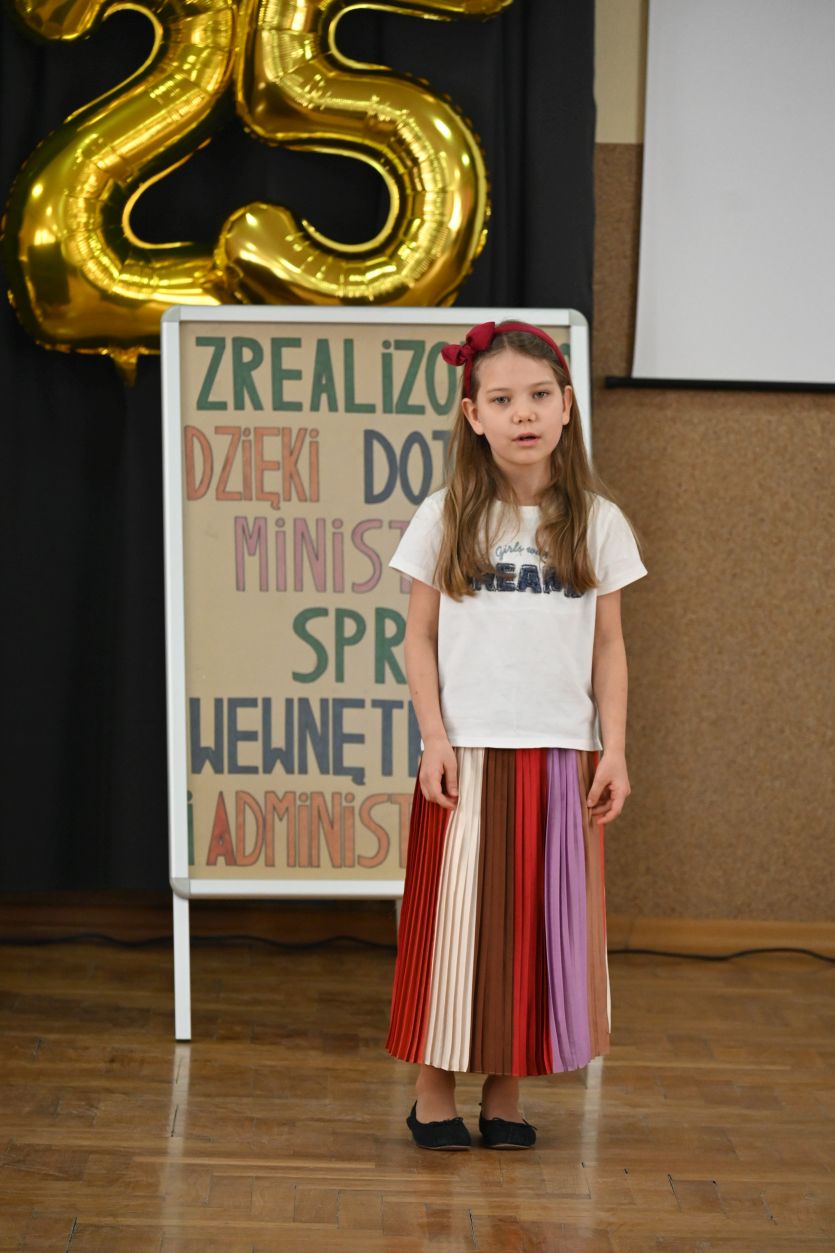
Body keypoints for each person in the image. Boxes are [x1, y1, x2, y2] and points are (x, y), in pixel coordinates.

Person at [384, 319, 648, 1151]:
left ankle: (505, 1094)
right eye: (501, 399)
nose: (522, 413)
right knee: (454, 928)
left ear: (566, 406)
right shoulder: (444, 516)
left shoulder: (598, 522)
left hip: (560, 752)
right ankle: (432, 1094)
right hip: (466, 752)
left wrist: (612, 748)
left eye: (538, 396)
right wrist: (433, 737)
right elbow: (417, 636)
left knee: (533, 929)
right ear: (473, 416)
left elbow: (608, 646)